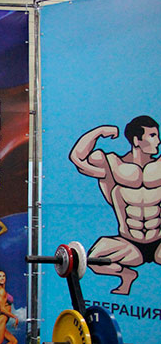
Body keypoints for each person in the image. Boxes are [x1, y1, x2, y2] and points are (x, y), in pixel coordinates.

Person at [69, 116, 161, 295]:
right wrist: (99, 131)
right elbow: (77, 158)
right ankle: (127, 275)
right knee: (92, 260)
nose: (158, 141)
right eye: (152, 136)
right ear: (137, 140)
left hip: (158, 241)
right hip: (129, 242)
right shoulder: (113, 166)